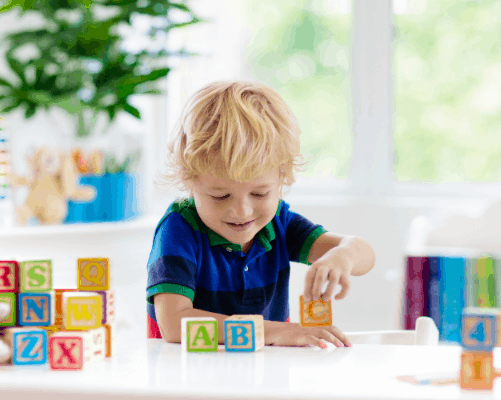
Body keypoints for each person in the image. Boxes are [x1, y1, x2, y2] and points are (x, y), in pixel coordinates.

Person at [146, 81, 376, 348]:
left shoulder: (277, 223)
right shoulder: (180, 228)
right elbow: (174, 324)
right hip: (183, 375)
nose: (241, 211)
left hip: (264, 373)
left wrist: (342, 256)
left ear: (282, 177)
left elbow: (365, 254)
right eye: (220, 196)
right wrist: (276, 332)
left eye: (260, 194)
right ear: (189, 181)